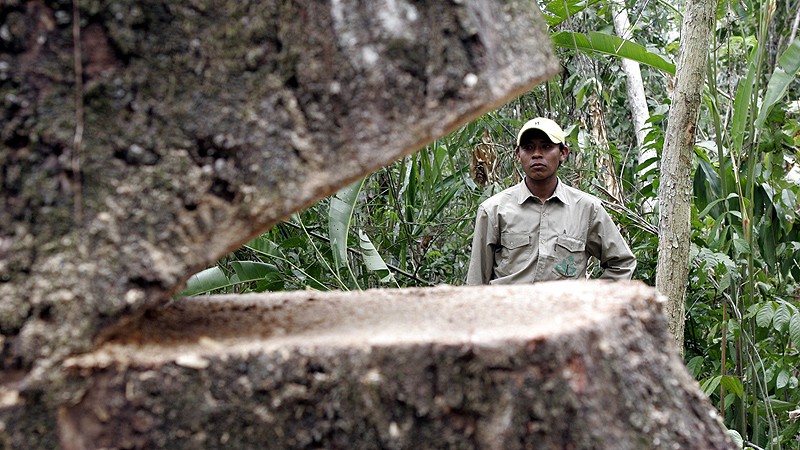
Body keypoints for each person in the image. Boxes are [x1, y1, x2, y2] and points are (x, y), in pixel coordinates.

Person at [466, 117, 636, 285]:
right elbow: (476, 282)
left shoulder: (587, 209)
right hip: (508, 303)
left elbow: (622, 263)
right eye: (528, 148)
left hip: (564, 304)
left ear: (563, 153)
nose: (537, 154)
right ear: (518, 154)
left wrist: (594, 298)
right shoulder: (493, 210)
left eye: (546, 147)